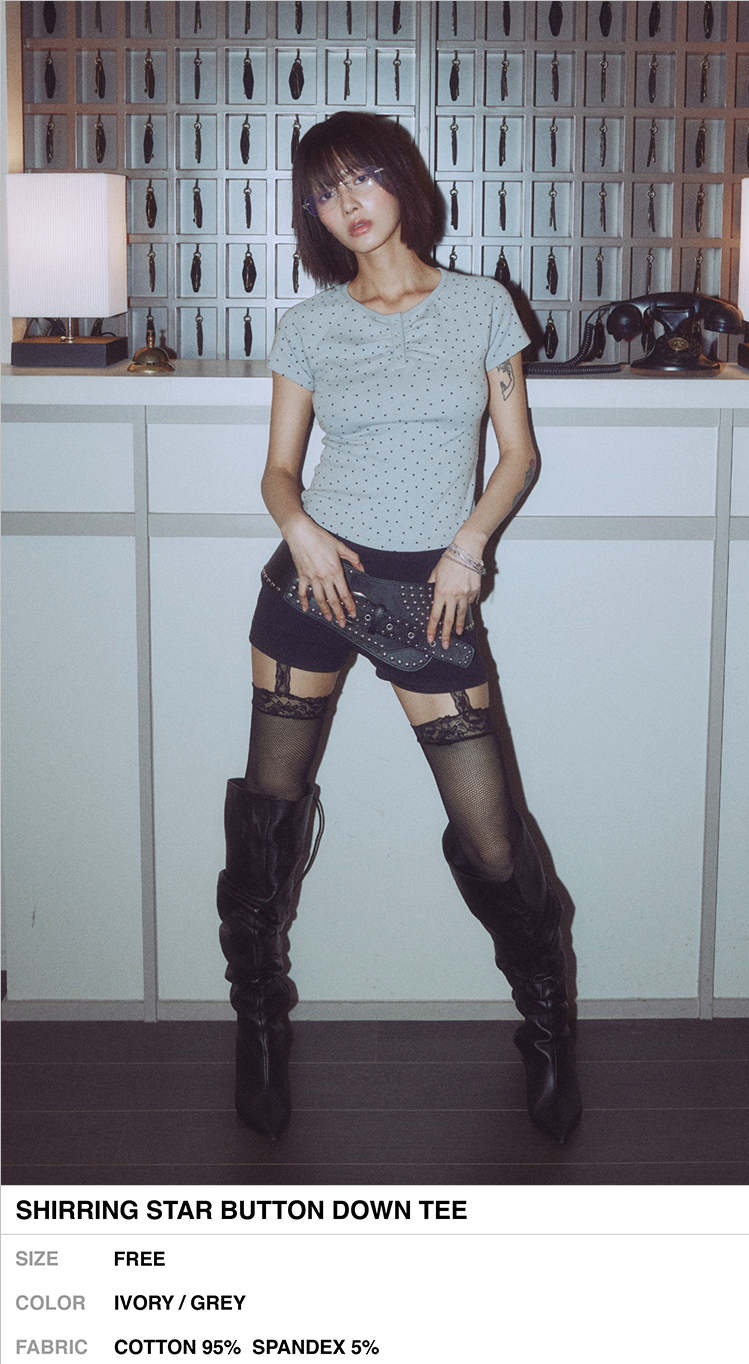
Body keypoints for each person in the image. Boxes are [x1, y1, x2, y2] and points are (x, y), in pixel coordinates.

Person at [217, 110, 581, 1150]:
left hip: (433, 590)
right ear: (314, 214)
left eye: (363, 177)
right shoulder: (311, 324)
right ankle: (258, 1022)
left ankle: (547, 1024)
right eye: (325, 191)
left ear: (402, 183)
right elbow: (278, 469)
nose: (348, 203)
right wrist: (298, 529)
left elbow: (517, 454)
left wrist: (469, 547)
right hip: (316, 583)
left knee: (493, 836)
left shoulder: (481, 307)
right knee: (269, 816)